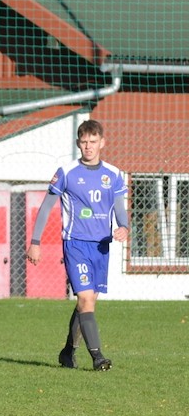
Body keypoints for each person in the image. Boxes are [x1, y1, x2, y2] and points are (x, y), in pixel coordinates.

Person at [26, 119, 129, 371]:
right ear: (77, 143)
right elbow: (46, 208)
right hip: (76, 245)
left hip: (101, 247)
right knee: (85, 299)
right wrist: (35, 242)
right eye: (84, 142)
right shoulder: (67, 172)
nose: (88, 146)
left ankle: (68, 352)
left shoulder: (114, 174)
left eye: (93, 141)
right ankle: (98, 357)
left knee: (86, 303)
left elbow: (119, 208)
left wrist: (124, 227)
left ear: (102, 143)